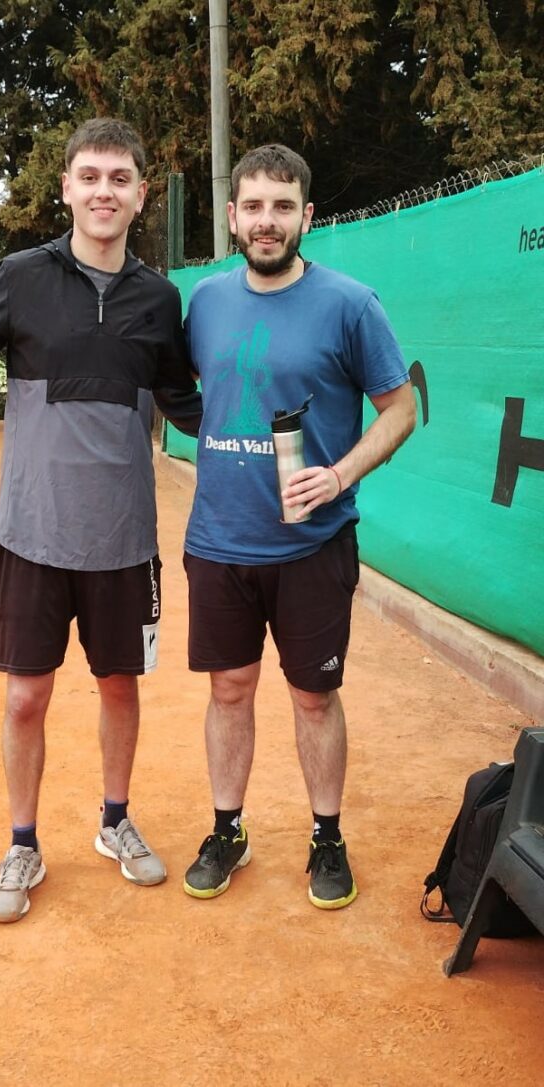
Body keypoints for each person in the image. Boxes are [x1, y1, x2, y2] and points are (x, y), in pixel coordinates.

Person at [0, 118, 201, 923]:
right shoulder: (22, 275)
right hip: (31, 535)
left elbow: (190, 405)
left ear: (139, 195)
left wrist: (268, 412)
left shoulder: (161, 300)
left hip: (123, 541)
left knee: (118, 686)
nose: (104, 191)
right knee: (26, 696)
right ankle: (22, 841)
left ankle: (115, 821)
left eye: (119, 178)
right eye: (89, 176)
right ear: (66, 188)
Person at [181, 144, 415, 907]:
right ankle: (228, 829)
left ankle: (326, 834)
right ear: (231, 216)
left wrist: (339, 473)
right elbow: (188, 389)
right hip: (218, 539)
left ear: (307, 215)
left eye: (283, 207)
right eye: (253, 206)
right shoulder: (207, 303)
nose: (267, 221)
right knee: (229, 689)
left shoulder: (351, 303)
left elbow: (402, 408)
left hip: (312, 544)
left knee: (313, 697)